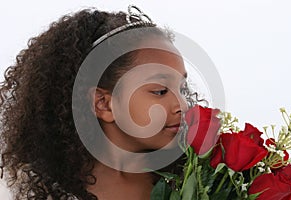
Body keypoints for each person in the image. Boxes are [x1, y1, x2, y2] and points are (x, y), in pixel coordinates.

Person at [0, 5, 195, 200]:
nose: (183, 105)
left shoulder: (192, 180)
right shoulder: (36, 191)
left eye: (182, 88)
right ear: (103, 103)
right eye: (160, 91)